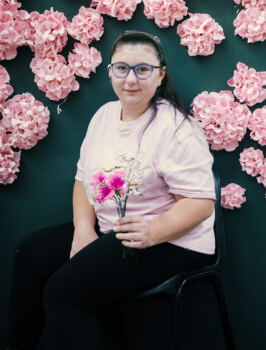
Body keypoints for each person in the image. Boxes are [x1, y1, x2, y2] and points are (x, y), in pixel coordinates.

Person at [4, 30, 216, 350]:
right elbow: (82, 181)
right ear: (110, 72)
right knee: (29, 254)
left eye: (142, 69)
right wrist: (83, 229)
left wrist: (154, 231)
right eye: (122, 68)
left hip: (172, 239)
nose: (131, 79)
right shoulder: (103, 116)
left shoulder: (177, 127)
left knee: (64, 291)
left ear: (160, 75)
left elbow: (201, 203)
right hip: (114, 231)